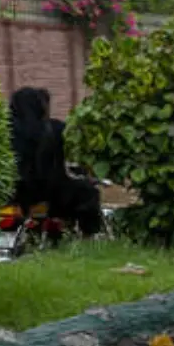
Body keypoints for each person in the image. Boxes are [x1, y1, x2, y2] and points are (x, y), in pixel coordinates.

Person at [8, 87, 103, 236]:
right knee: (89, 193)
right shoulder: (55, 128)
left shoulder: (4, 131)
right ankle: (89, 236)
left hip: (14, 195)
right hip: (52, 194)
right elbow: (74, 155)